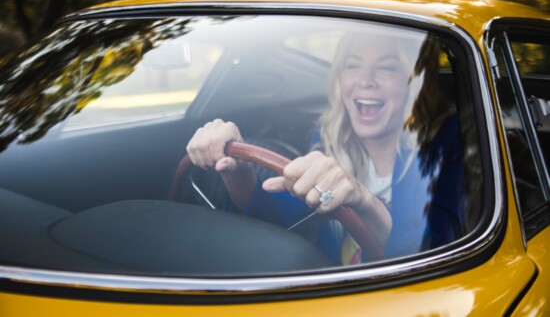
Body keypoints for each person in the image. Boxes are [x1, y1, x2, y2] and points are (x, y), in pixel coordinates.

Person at [186, 29, 465, 265]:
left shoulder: (445, 141)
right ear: (340, 77)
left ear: (412, 82)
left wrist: (363, 199)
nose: (365, 80)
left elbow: (432, 250)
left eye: (387, 67)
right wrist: (239, 172)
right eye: (353, 65)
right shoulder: (328, 137)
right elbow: (281, 221)